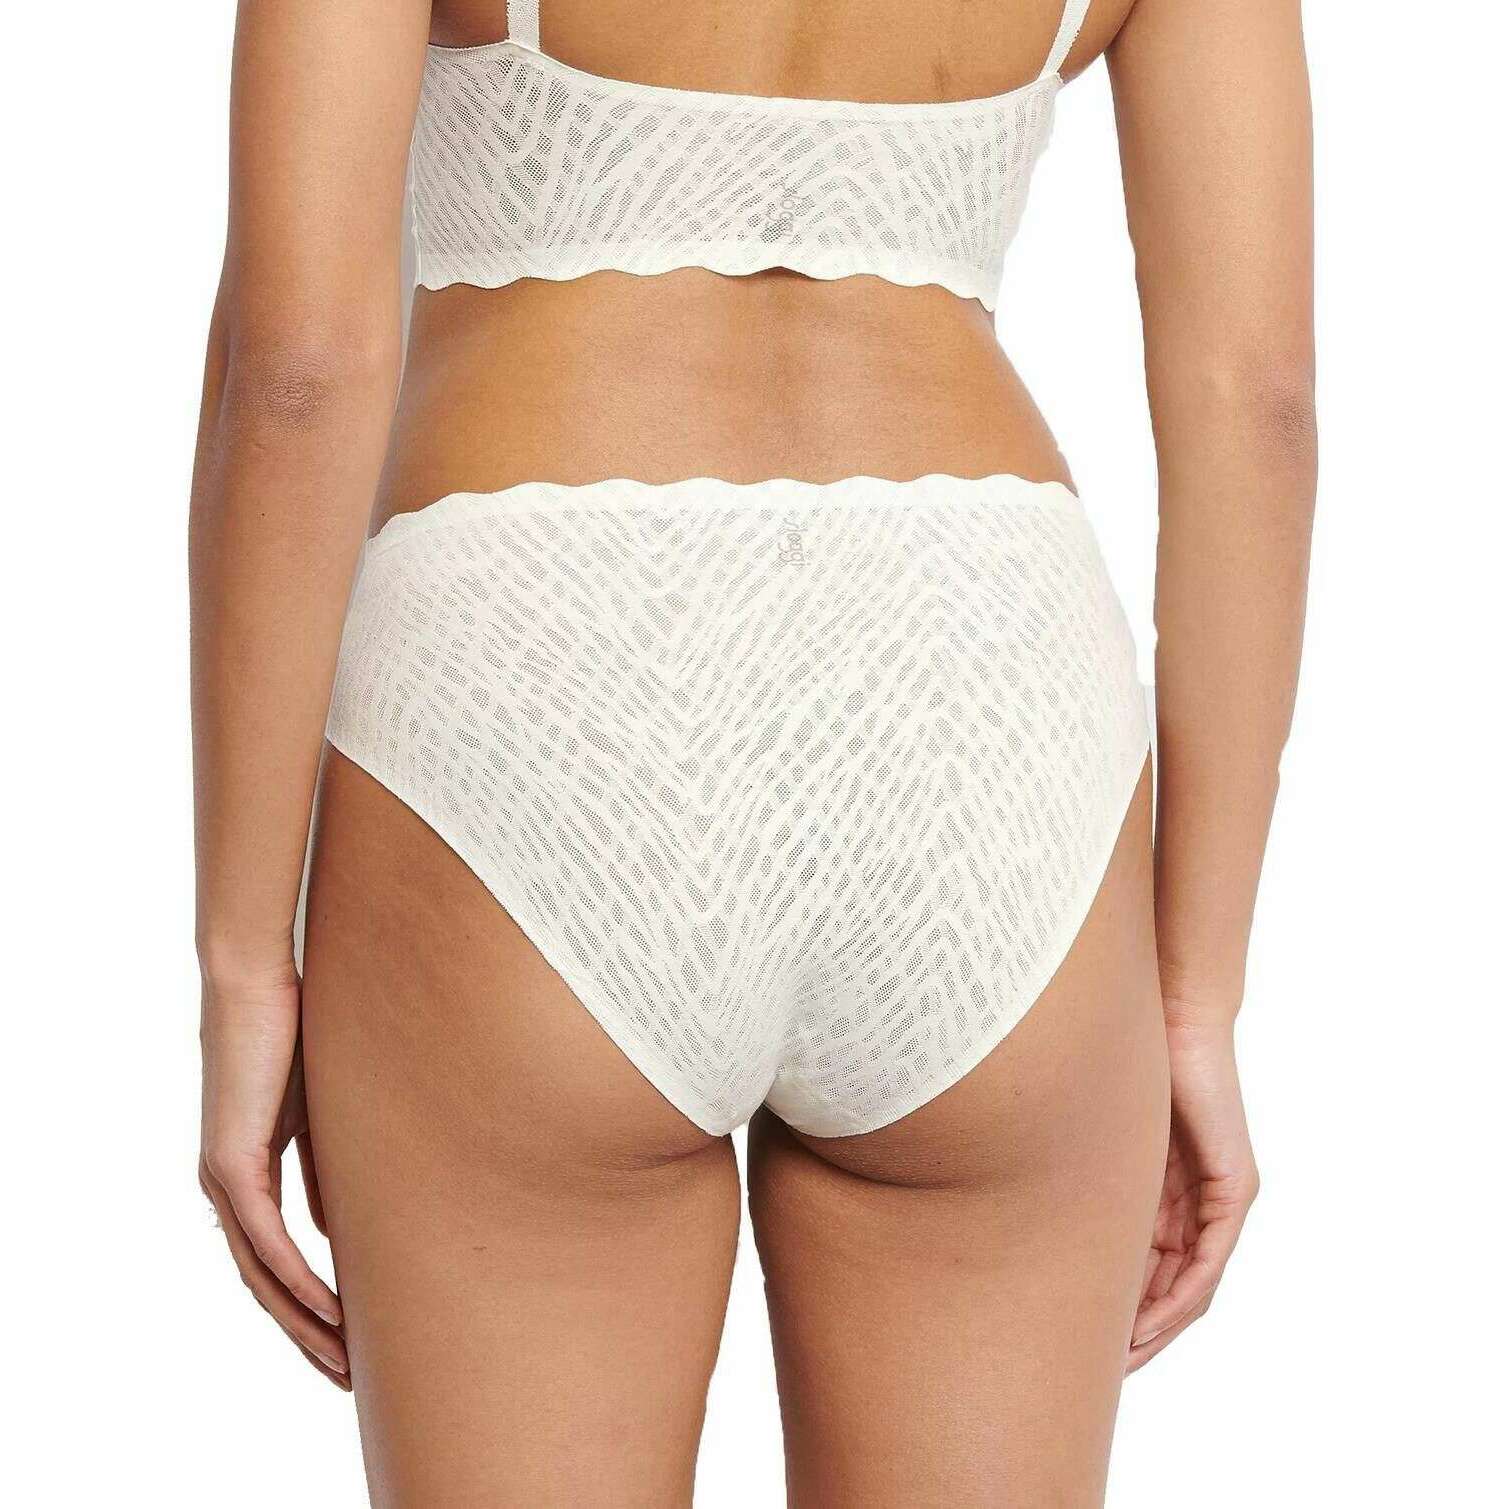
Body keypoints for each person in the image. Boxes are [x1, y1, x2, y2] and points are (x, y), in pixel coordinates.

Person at [190, 0, 1315, 1502]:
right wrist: (1196, 996)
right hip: (984, 711)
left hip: (544, 691)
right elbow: (1257, 399)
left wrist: (243, 961)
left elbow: (297, 370)